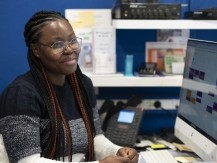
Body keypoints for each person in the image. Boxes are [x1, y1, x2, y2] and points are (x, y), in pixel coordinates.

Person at [0, 10, 139, 163]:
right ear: (36, 50)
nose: (69, 49)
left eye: (72, 40)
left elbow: (95, 137)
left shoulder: (82, 85)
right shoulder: (20, 94)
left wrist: (117, 151)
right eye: (57, 44)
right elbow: (27, 161)